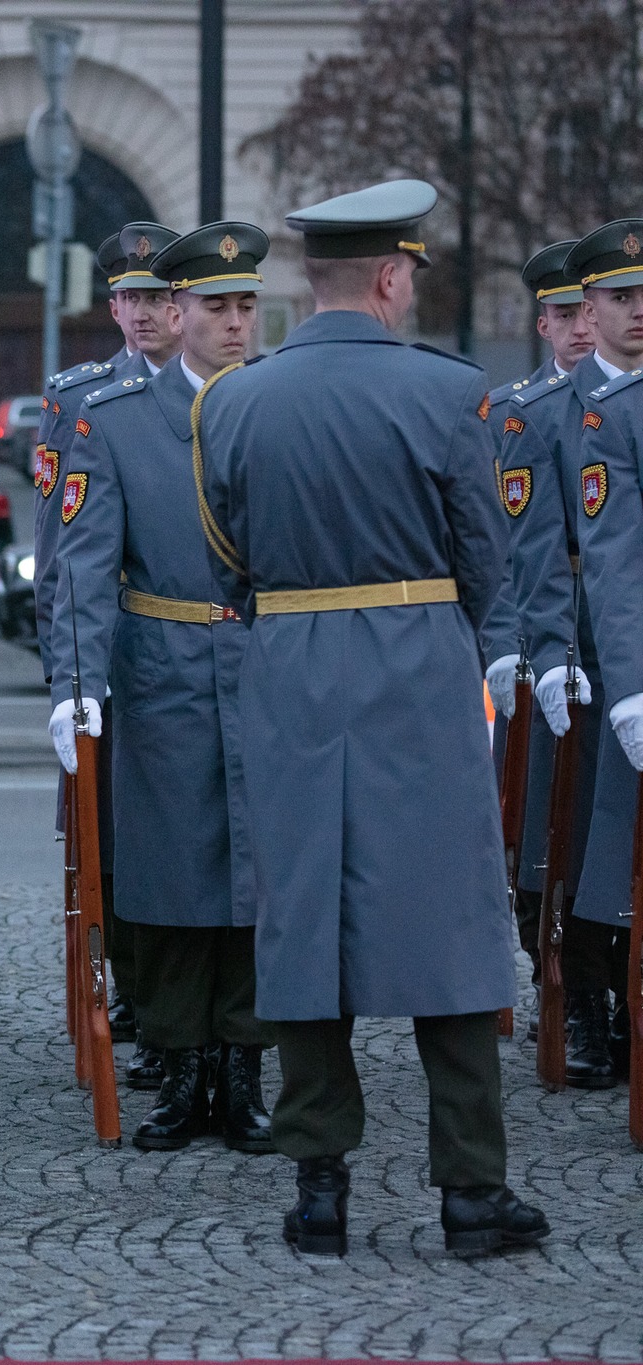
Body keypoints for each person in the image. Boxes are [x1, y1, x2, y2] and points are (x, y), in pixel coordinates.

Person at [197, 179, 546, 1256]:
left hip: (290, 666)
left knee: (301, 918)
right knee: (445, 925)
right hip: (417, 663)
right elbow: (484, 554)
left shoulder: (232, 400)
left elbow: (226, 552)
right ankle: (470, 1192)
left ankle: (316, 1190)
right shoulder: (449, 394)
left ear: (313, 279)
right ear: (392, 277)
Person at [48, 222, 274, 1155]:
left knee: (259, 881)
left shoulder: (278, 406)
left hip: (264, 666)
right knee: (175, 878)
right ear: (174, 312)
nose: (232, 324)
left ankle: (245, 1072)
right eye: (214, 307)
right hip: (162, 666)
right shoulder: (117, 417)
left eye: (245, 306)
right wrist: (76, 682)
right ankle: (182, 1073)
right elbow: (84, 564)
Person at [33, 222, 182, 1092]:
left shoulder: (227, 387)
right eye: (128, 298)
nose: (142, 314)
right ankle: (132, 984)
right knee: (116, 832)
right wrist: (67, 664)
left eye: (158, 296)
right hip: (111, 638)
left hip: (194, 636)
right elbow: (58, 540)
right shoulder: (79, 397)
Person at [491, 234, 622, 1084]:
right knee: (552, 836)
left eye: (592, 310)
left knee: (615, 836)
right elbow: (511, 550)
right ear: (545, 321)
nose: (581, 329)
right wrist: (520, 653)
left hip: (625, 635)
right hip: (561, 639)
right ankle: (573, 1000)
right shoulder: (527, 412)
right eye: (567, 314)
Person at [553, 220, 643, 1086]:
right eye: (622, 298)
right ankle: (590, 1001)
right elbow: (557, 552)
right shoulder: (558, 409)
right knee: (584, 845)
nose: (638, 313)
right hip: (589, 654)